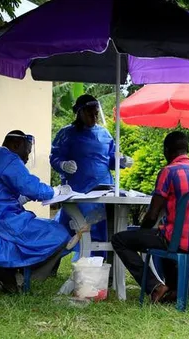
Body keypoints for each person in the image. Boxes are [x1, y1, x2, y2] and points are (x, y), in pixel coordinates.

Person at [112, 131, 189, 303]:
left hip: (177, 241)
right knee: (163, 231)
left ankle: (155, 286)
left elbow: (152, 215)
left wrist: (141, 234)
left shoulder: (168, 171)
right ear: (187, 150)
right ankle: (174, 289)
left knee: (120, 240)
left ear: (167, 151)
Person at [0, 131, 72, 293]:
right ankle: (25, 274)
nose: (26, 159)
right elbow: (34, 188)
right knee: (60, 232)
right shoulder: (9, 159)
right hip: (2, 221)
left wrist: (21, 198)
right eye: (27, 152)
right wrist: (57, 191)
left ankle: (10, 273)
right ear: (16, 145)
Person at [50, 94, 133, 256]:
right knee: (73, 228)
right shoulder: (67, 134)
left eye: (96, 113)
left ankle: (97, 266)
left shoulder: (104, 134)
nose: (94, 117)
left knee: (100, 230)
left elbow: (109, 160)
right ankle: (54, 261)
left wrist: (121, 162)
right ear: (80, 112)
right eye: (90, 114)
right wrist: (62, 164)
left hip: (103, 189)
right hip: (78, 191)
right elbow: (55, 157)